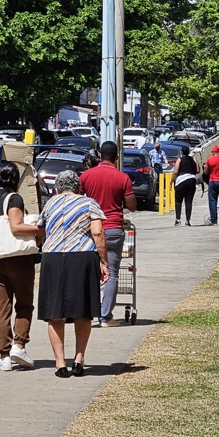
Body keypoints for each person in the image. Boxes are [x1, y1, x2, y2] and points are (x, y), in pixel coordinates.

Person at [37, 170, 109, 377]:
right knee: (83, 311)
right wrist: (104, 261)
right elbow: (97, 232)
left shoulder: (50, 204)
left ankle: (60, 363)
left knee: (55, 313)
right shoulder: (89, 203)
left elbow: (41, 231)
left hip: (53, 258)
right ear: (78, 187)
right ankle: (79, 359)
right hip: (82, 257)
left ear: (57, 188)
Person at [0, 161, 42, 372]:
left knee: (1, 307)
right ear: (15, 178)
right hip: (17, 257)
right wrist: (39, 228)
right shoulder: (15, 198)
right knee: (24, 303)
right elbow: (16, 226)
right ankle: (19, 345)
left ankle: (4, 355)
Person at [79, 140, 137, 327]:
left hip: (90, 231)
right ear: (117, 156)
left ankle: (87, 314)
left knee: (91, 273)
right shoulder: (122, 178)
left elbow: (78, 201)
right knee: (111, 273)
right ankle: (105, 317)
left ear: (100, 155)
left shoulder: (86, 176)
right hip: (113, 229)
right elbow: (132, 206)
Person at [172, 145, 199, 226]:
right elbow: (198, 170)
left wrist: (171, 181)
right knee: (189, 201)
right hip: (192, 180)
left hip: (181, 181)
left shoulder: (179, 159)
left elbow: (176, 172)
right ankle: (188, 220)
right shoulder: (193, 159)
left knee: (178, 200)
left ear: (181, 152)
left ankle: (178, 220)